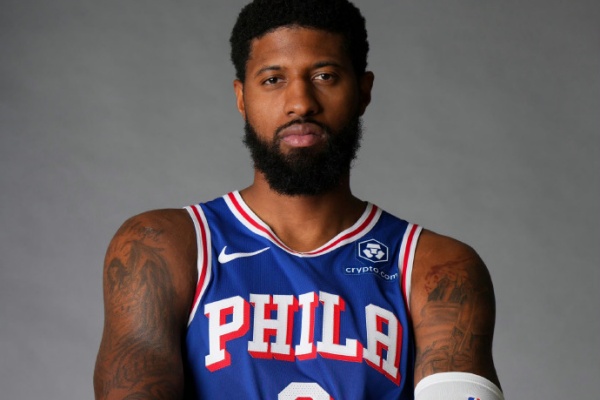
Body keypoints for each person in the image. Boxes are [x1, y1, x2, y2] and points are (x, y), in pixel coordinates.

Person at [93, 0, 504, 399]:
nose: (301, 103)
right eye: (273, 79)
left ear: (363, 92)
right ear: (241, 97)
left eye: (325, 76)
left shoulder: (435, 268)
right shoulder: (163, 246)